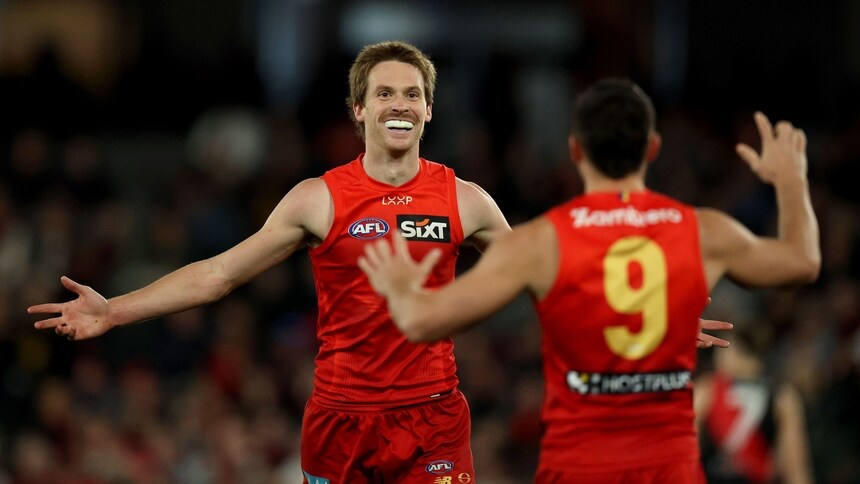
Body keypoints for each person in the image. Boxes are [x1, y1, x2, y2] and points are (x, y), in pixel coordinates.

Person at [29, 45, 728, 482]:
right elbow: (219, 273)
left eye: (413, 94)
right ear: (359, 109)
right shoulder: (316, 198)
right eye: (386, 93)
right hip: (338, 421)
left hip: (433, 423)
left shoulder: (466, 198)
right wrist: (114, 310)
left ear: (429, 110)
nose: (401, 104)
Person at [358, 78, 820, 483]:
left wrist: (401, 288)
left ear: (575, 150)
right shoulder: (703, 230)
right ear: (653, 148)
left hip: (578, 467)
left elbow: (421, 323)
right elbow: (801, 262)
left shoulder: (540, 242)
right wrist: (792, 182)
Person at [694, 324, 814, 484]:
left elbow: (684, 447)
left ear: (734, 351)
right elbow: (795, 467)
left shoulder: (708, 390)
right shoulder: (782, 396)